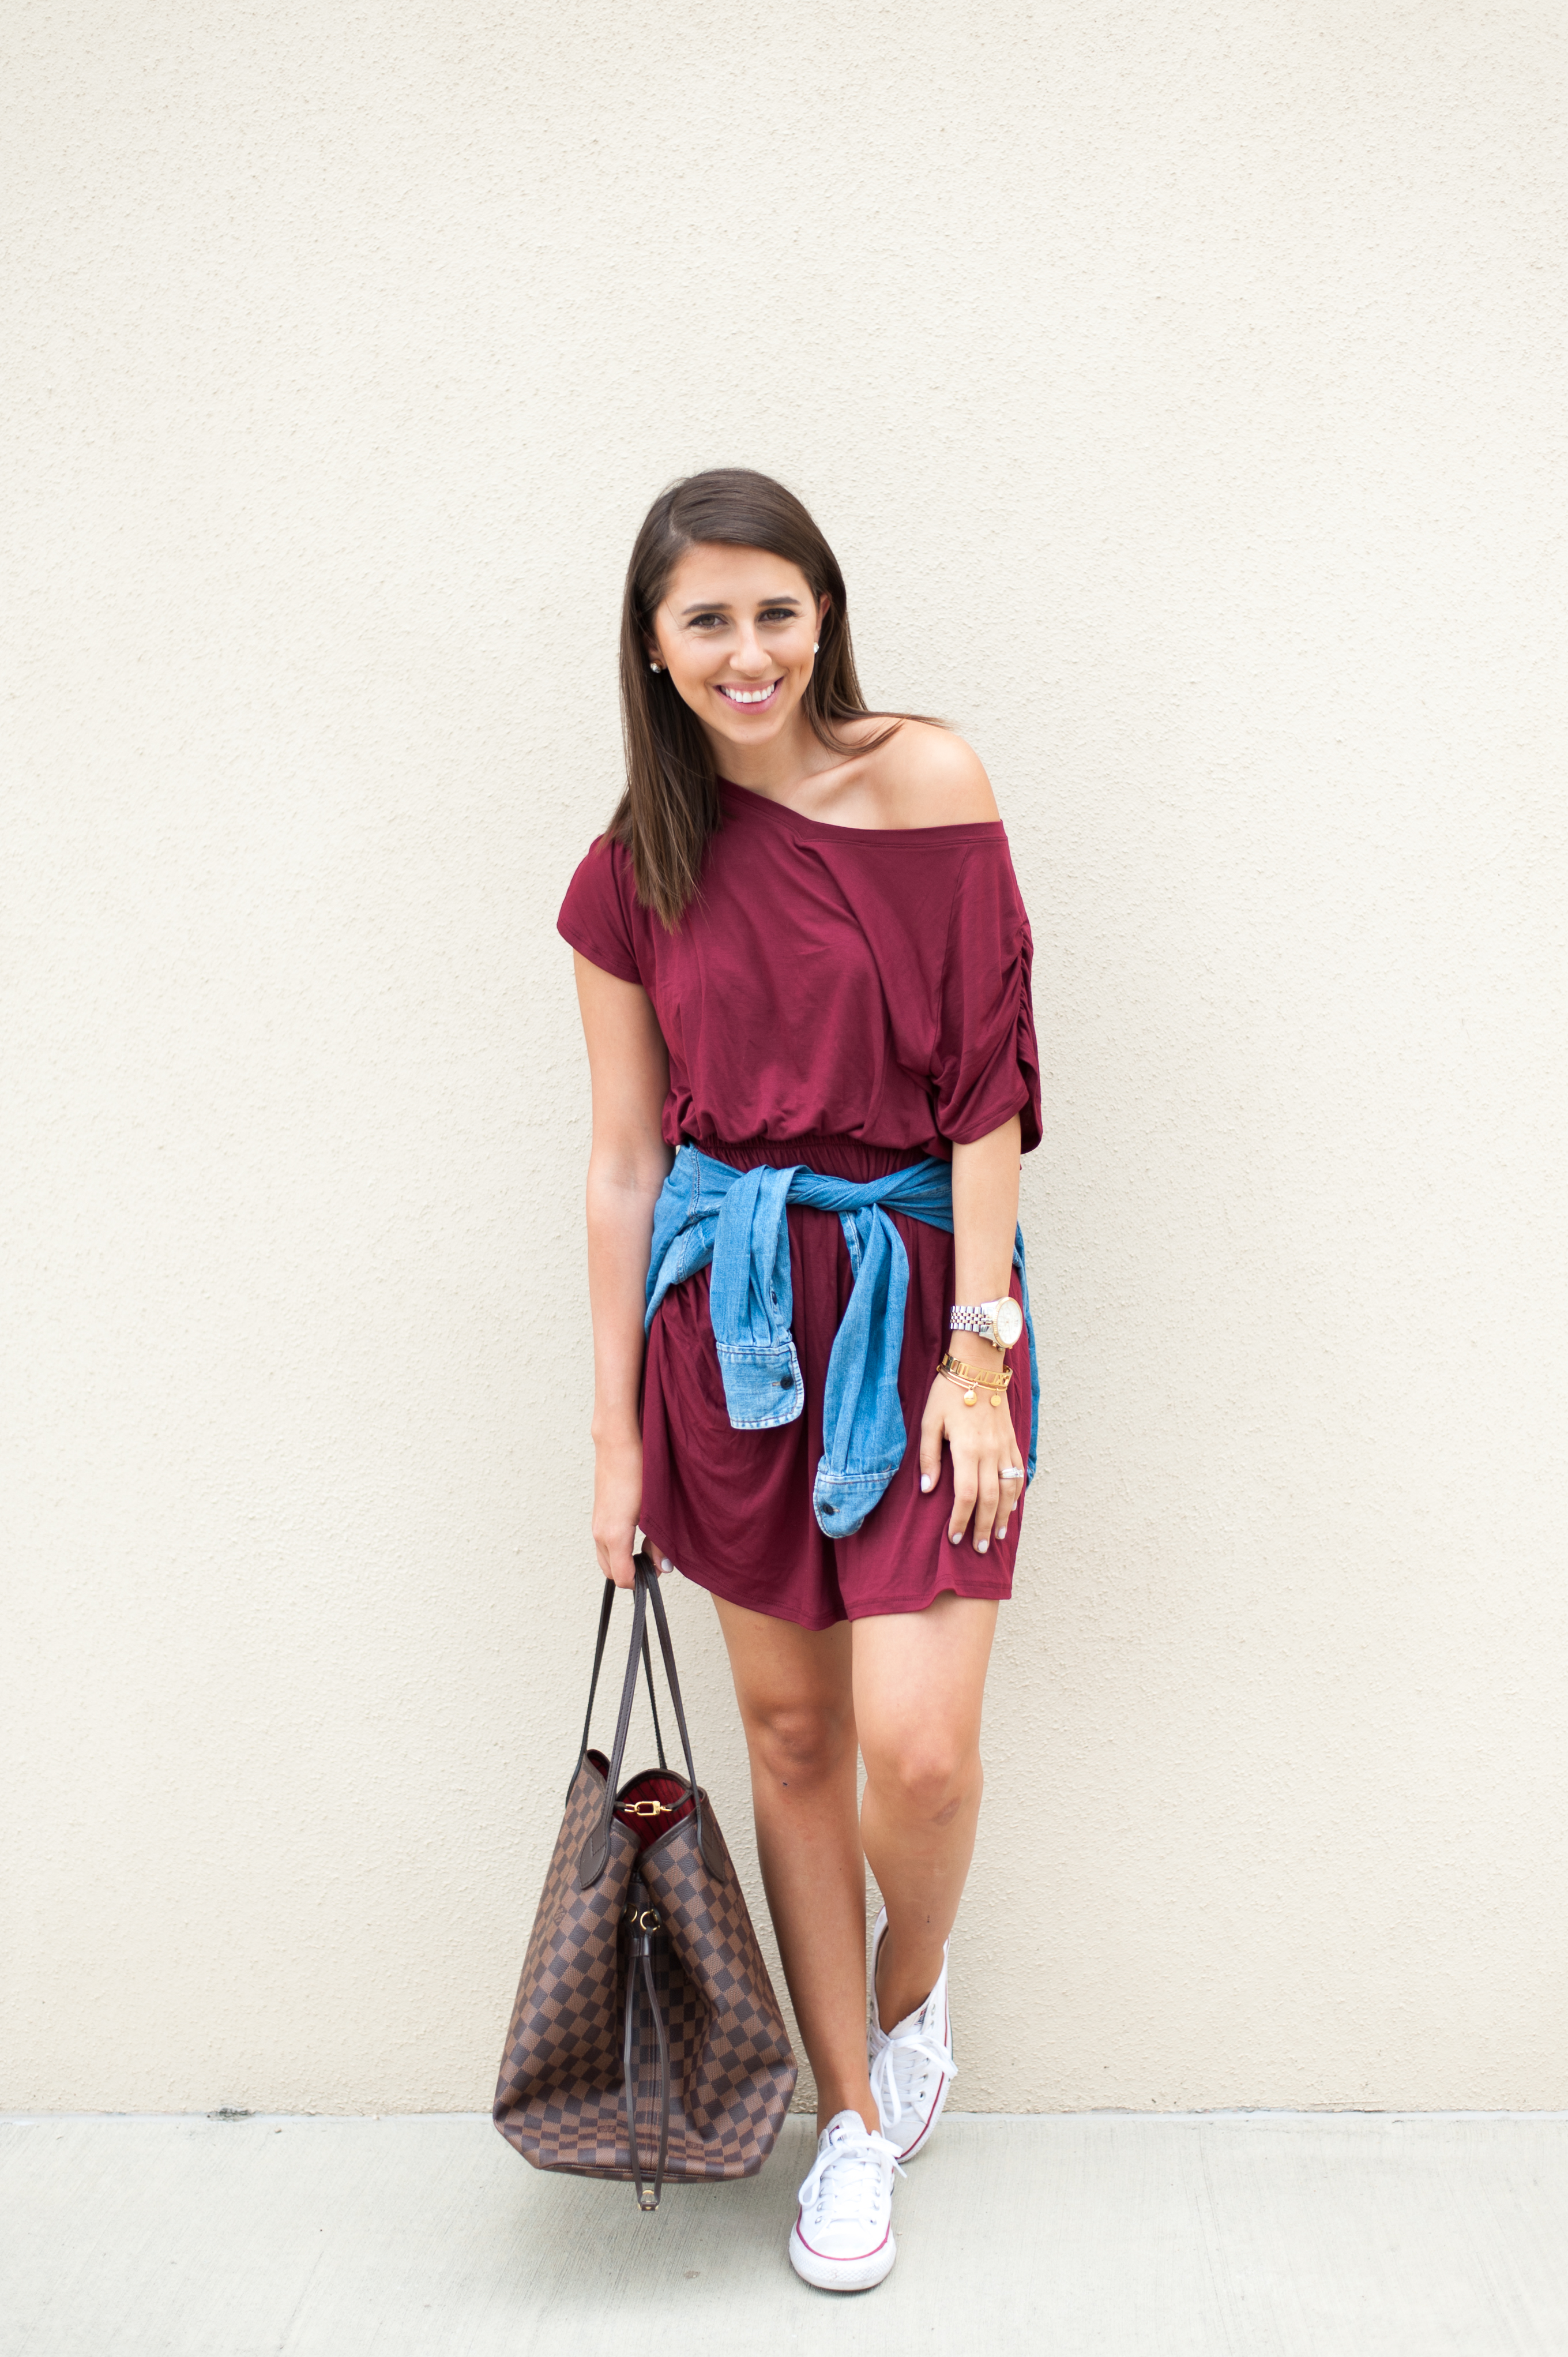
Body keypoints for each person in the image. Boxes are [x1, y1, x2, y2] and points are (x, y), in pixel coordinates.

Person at [558, 468, 1040, 2292]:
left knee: (919, 1750)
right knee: (789, 1739)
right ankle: (846, 2121)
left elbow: (986, 1087)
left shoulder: (927, 777)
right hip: (731, 1332)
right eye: (707, 621)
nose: (747, 651)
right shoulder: (632, 872)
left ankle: (911, 1997)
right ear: (653, 648)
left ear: (823, 613)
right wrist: (614, 1435)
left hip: (922, 1309)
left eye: (776, 610)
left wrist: (978, 1355)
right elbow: (625, 1163)